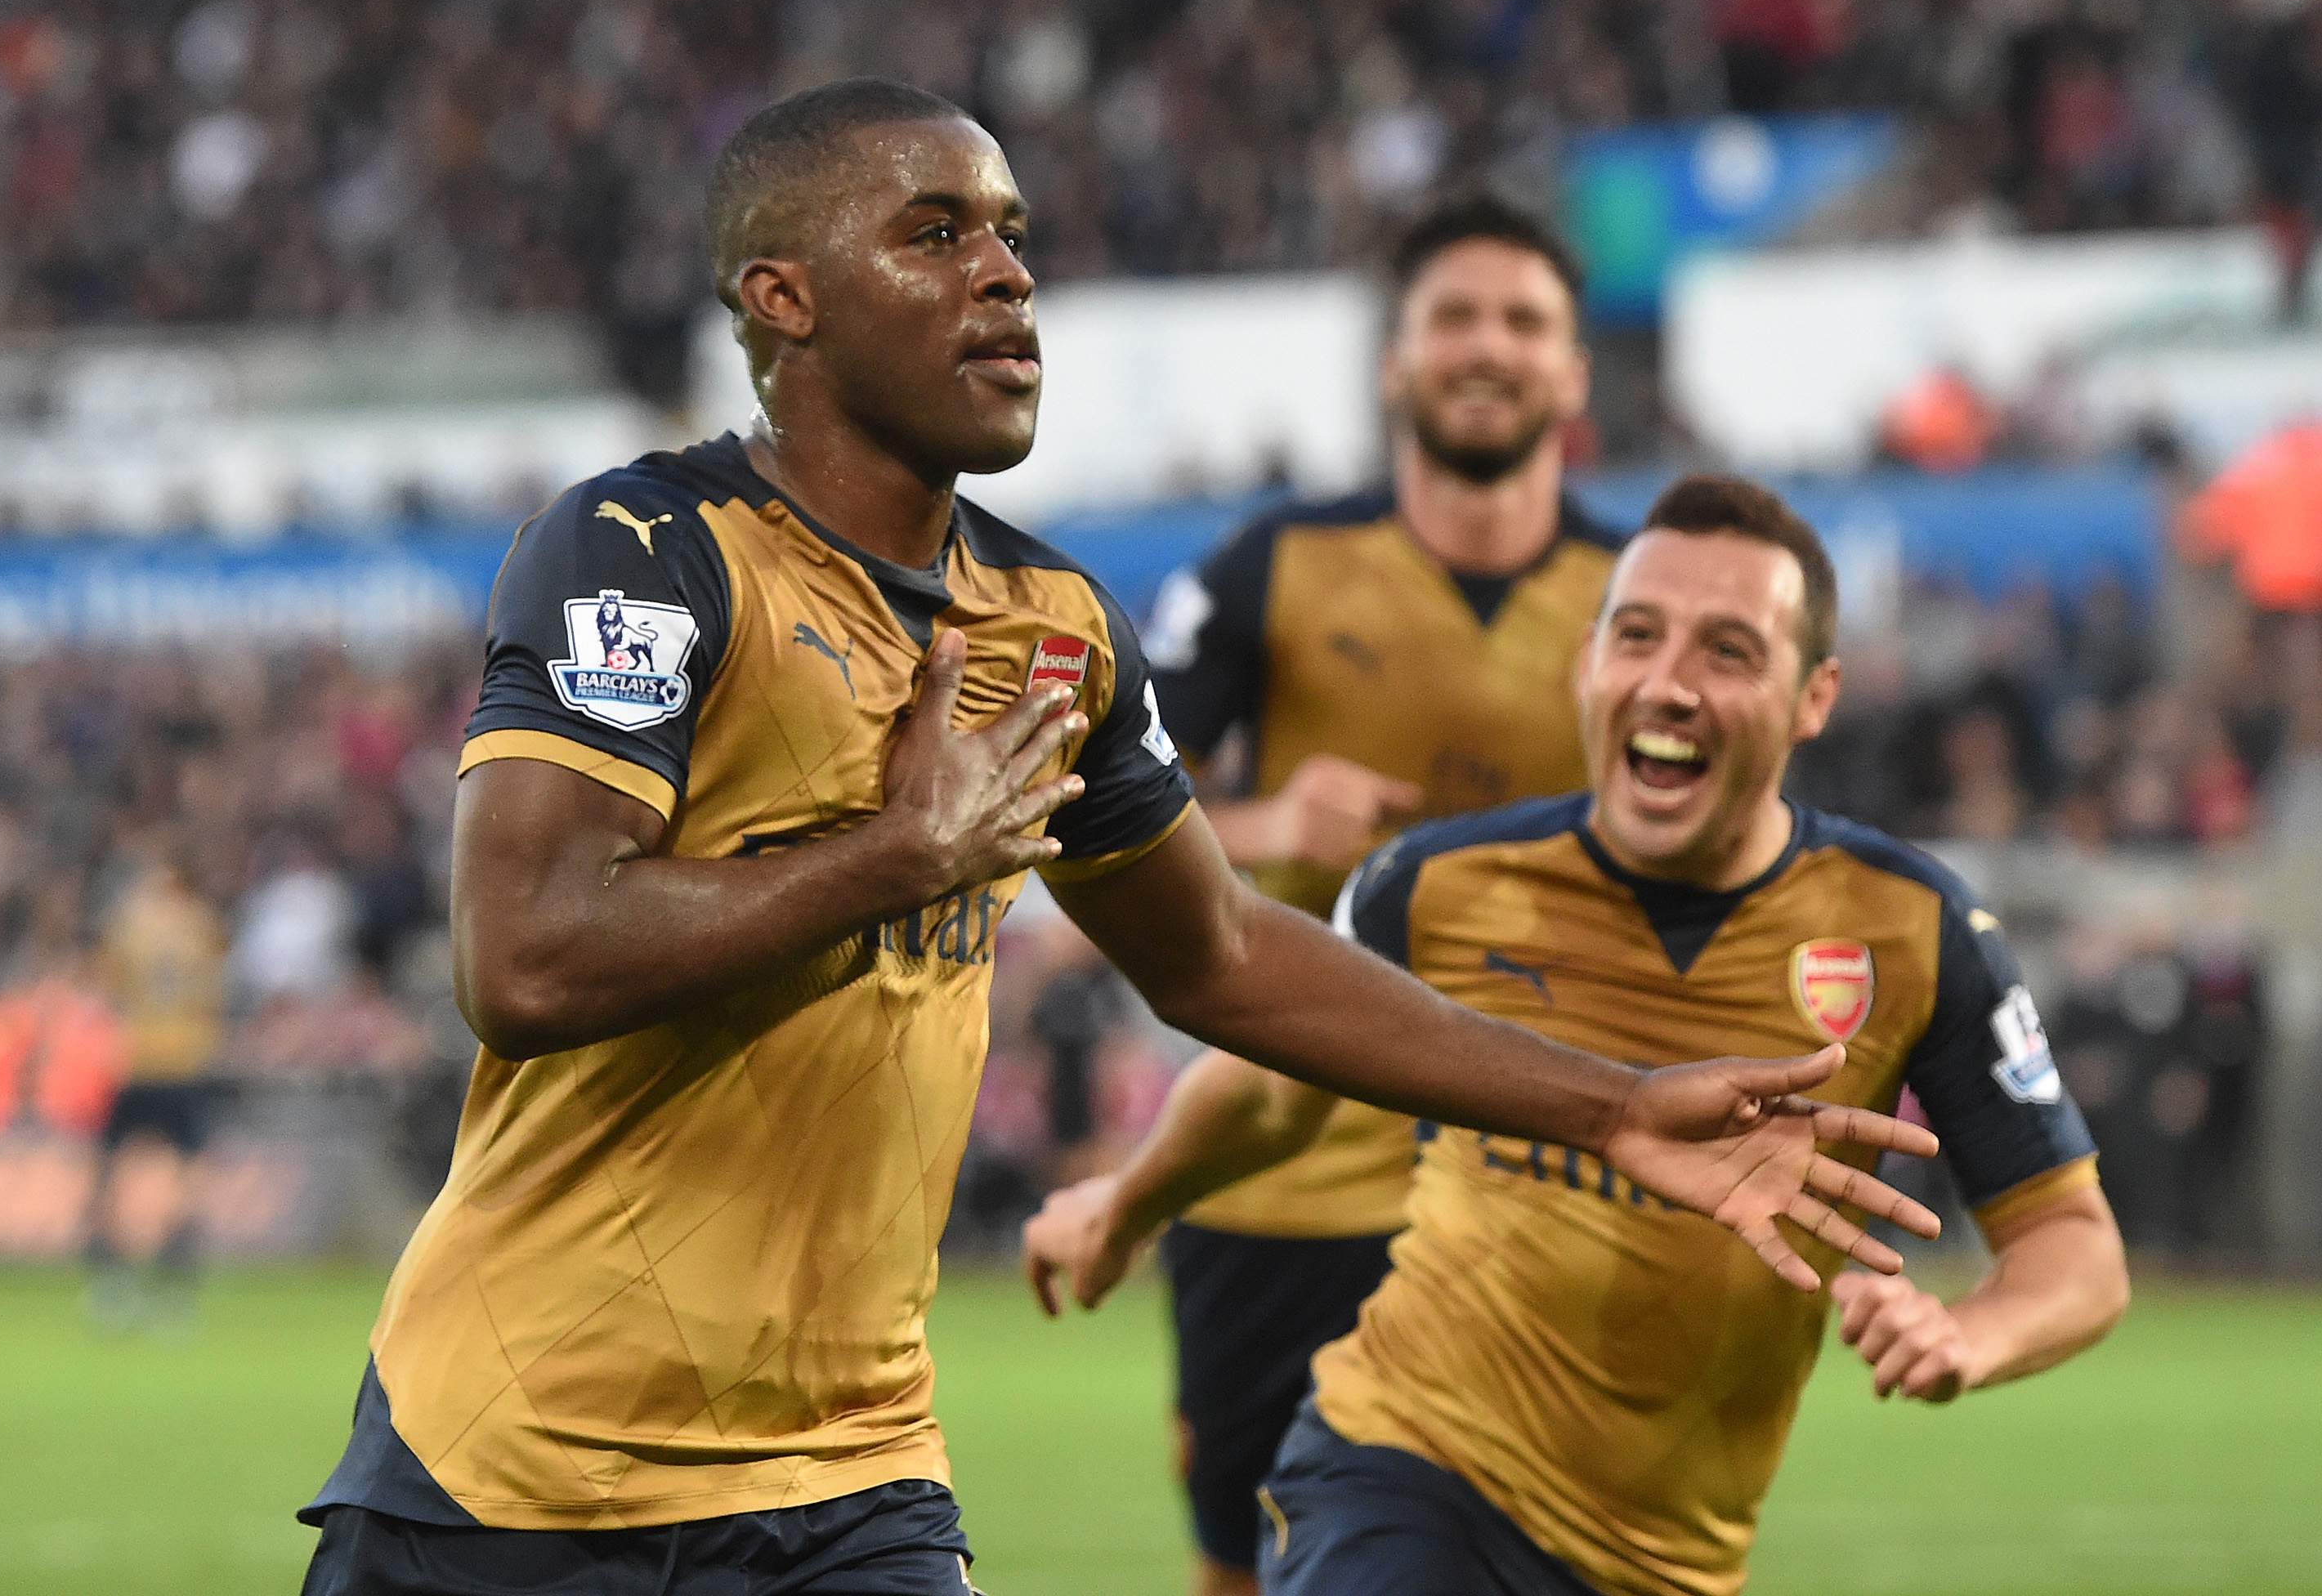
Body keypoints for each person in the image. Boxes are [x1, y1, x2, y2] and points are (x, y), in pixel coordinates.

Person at [298, 82, 1939, 1596]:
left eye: (1011, 234)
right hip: (508, 1475)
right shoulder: (644, 546)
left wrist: (1619, 1104)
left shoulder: (1056, 622)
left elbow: (1220, 953)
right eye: (934, 232)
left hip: (852, 1478)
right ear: (779, 299)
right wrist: (891, 856)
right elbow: (520, 955)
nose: (1005, 275)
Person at [1024, 474, 2127, 1596]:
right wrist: (1125, 1206)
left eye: (1728, 652)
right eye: (1636, 636)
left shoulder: (1913, 928)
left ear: (1814, 697)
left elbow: (2073, 1244)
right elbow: (1269, 1097)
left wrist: (1968, 1336)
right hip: (1402, 1466)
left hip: (1671, 1563)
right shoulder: (1432, 886)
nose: (1668, 683)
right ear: (1587, 662)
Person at [1137, 190, 1618, 1595]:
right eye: (1452, 317)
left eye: (1523, 320)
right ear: (1393, 361)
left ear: (1574, 369)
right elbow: (1088, 819)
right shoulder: (1269, 569)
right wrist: (1266, 818)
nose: (1487, 346)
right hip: (1280, 1175)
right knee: (1245, 1559)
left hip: (1537, 1180)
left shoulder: (1633, 599)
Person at [84, 845, 228, 1327]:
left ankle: (112, 1282)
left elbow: (109, 989)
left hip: (136, 1060)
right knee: (188, 1176)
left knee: (111, 1170)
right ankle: (174, 1284)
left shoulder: (129, 922)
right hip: (186, 1061)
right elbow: (214, 991)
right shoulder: (201, 924)